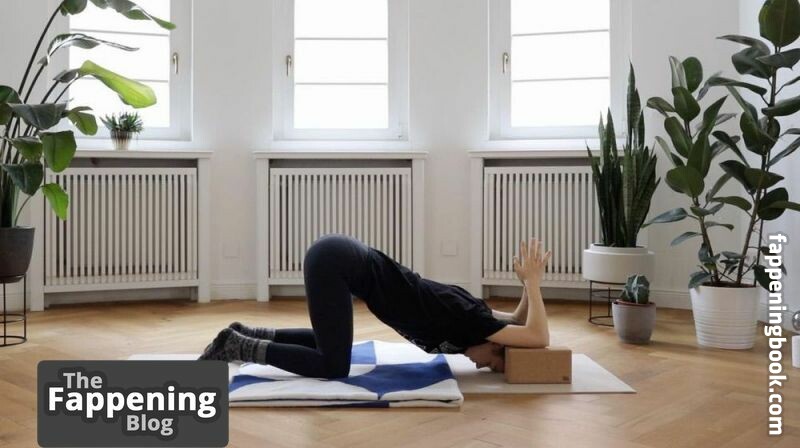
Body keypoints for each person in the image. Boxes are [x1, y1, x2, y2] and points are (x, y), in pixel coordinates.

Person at [199, 234, 551, 378]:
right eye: (492, 363)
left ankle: (247, 334)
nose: (481, 366)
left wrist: (526, 287)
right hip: (337, 262)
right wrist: (534, 284)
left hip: (339, 259)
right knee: (334, 365)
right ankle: (238, 347)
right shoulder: (473, 321)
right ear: (495, 343)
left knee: (334, 346)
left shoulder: (477, 323)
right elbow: (537, 336)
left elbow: (517, 320)